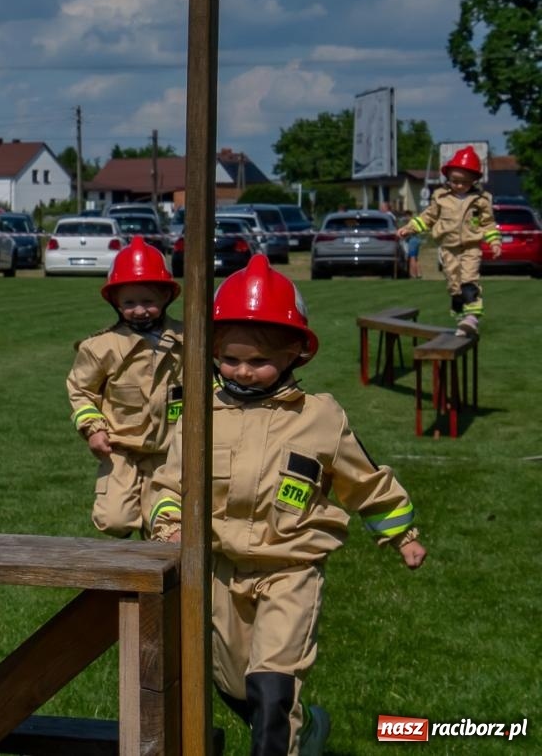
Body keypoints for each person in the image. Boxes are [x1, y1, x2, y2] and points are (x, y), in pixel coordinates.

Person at [148, 256, 426, 756]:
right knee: (234, 685)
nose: (243, 371)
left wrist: (401, 533)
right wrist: (167, 521)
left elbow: (364, 481)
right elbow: (171, 481)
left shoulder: (319, 417)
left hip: (290, 570)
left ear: (296, 352)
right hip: (222, 570)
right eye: (230, 359)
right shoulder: (201, 413)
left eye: (258, 361)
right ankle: (308, 730)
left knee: (272, 686)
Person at [65, 236, 184, 538]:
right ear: (115, 302)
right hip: (120, 450)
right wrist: (93, 429)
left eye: (148, 301)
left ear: (166, 297)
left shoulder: (188, 340)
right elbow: (80, 390)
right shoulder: (100, 347)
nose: (139, 310)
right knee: (114, 520)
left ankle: (156, 540)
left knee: (165, 527)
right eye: (129, 303)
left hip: (170, 453)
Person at [396, 145, 500, 334]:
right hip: (448, 248)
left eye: (464, 182)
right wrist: (409, 228)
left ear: (474, 180)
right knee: (454, 284)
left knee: (469, 279)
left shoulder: (481, 200)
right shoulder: (441, 197)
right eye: (455, 181)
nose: (459, 185)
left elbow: (488, 223)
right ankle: (462, 318)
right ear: (448, 177)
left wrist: (494, 241)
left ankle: (472, 316)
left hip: (471, 246)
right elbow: (428, 217)